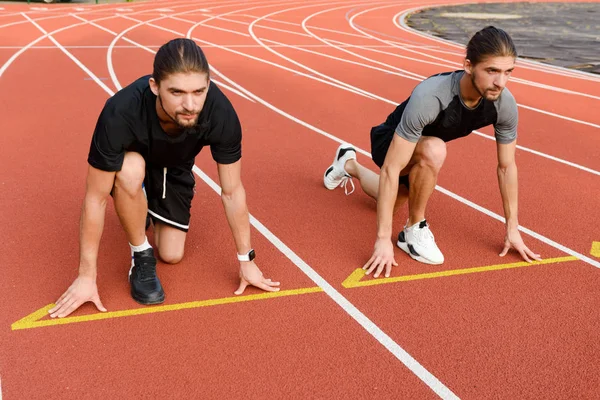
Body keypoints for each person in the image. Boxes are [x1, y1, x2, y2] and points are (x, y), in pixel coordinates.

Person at [49, 38, 280, 318]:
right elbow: (95, 198)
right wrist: (86, 276)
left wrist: (246, 260)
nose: (190, 104)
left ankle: (139, 205)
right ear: (155, 86)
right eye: (177, 92)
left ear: (208, 85)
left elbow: (232, 191)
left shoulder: (220, 113)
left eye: (198, 91)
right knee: (130, 170)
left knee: (172, 255)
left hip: (174, 167)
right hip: (133, 163)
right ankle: (140, 255)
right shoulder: (120, 112)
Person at [323, 26, 541, 279]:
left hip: (420, 151)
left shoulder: (504, 105)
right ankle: (413, 229)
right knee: (434, 149)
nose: (500, 82)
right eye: (492, 71)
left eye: (507, 72)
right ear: (469, 66)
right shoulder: (432, 95)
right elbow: (392, 169)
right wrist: (383, 238)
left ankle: (349, 164)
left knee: (395, 199)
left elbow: (506, 167)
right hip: (391, 142)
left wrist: (512, 228)